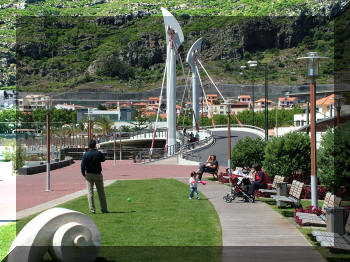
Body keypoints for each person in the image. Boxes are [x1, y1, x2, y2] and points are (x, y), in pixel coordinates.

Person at [81, 139, 108, 214]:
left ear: (89, 146)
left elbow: (82, 166)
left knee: (90, 193)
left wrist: (84, 174)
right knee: (101, 192)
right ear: (95, 145)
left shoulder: (86, 154)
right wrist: (98, 150)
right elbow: (103, 159)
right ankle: (104, 209)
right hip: (98, 174)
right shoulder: (98, 153)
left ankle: (92, 210)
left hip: (89, 174)